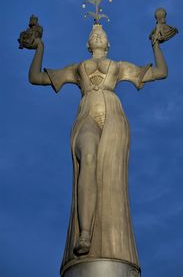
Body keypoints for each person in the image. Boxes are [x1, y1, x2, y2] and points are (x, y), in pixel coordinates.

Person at [25, 23, 168, 272]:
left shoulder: (119, 66)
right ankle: (85, 232)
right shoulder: (77, 68)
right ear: (88, 43)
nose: (98, 33)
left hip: (113, 117)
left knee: (110, 178)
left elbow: (160, 72)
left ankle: (106, 235)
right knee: (88, 158)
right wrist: (39, 47)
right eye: (93, 33)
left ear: (108, 43)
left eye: (101, 33)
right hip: (86, 116)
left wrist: (155, 44)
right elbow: (36, 77)